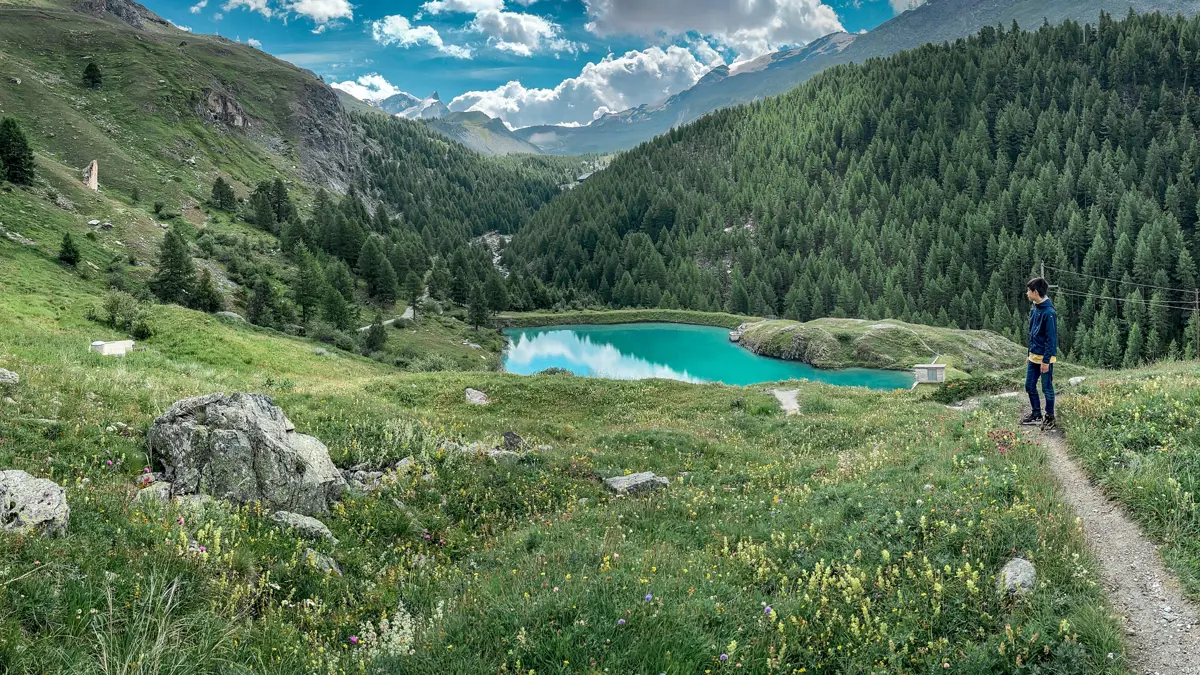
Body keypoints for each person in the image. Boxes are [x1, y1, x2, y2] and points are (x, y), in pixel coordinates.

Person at [1021, 277, 1057, 429]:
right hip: (1034, 356)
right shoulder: (1035, 309)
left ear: (1036, 292)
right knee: (1029, 385)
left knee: (1046, 387)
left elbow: (1051, 339)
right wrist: (1029, 355)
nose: (1027, 293)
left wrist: (1046, 361)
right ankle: (1036, 414)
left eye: (1029, 291)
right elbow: (1032, 334)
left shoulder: (1049, 313)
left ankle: (1050, 417)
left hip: (1044, 358)